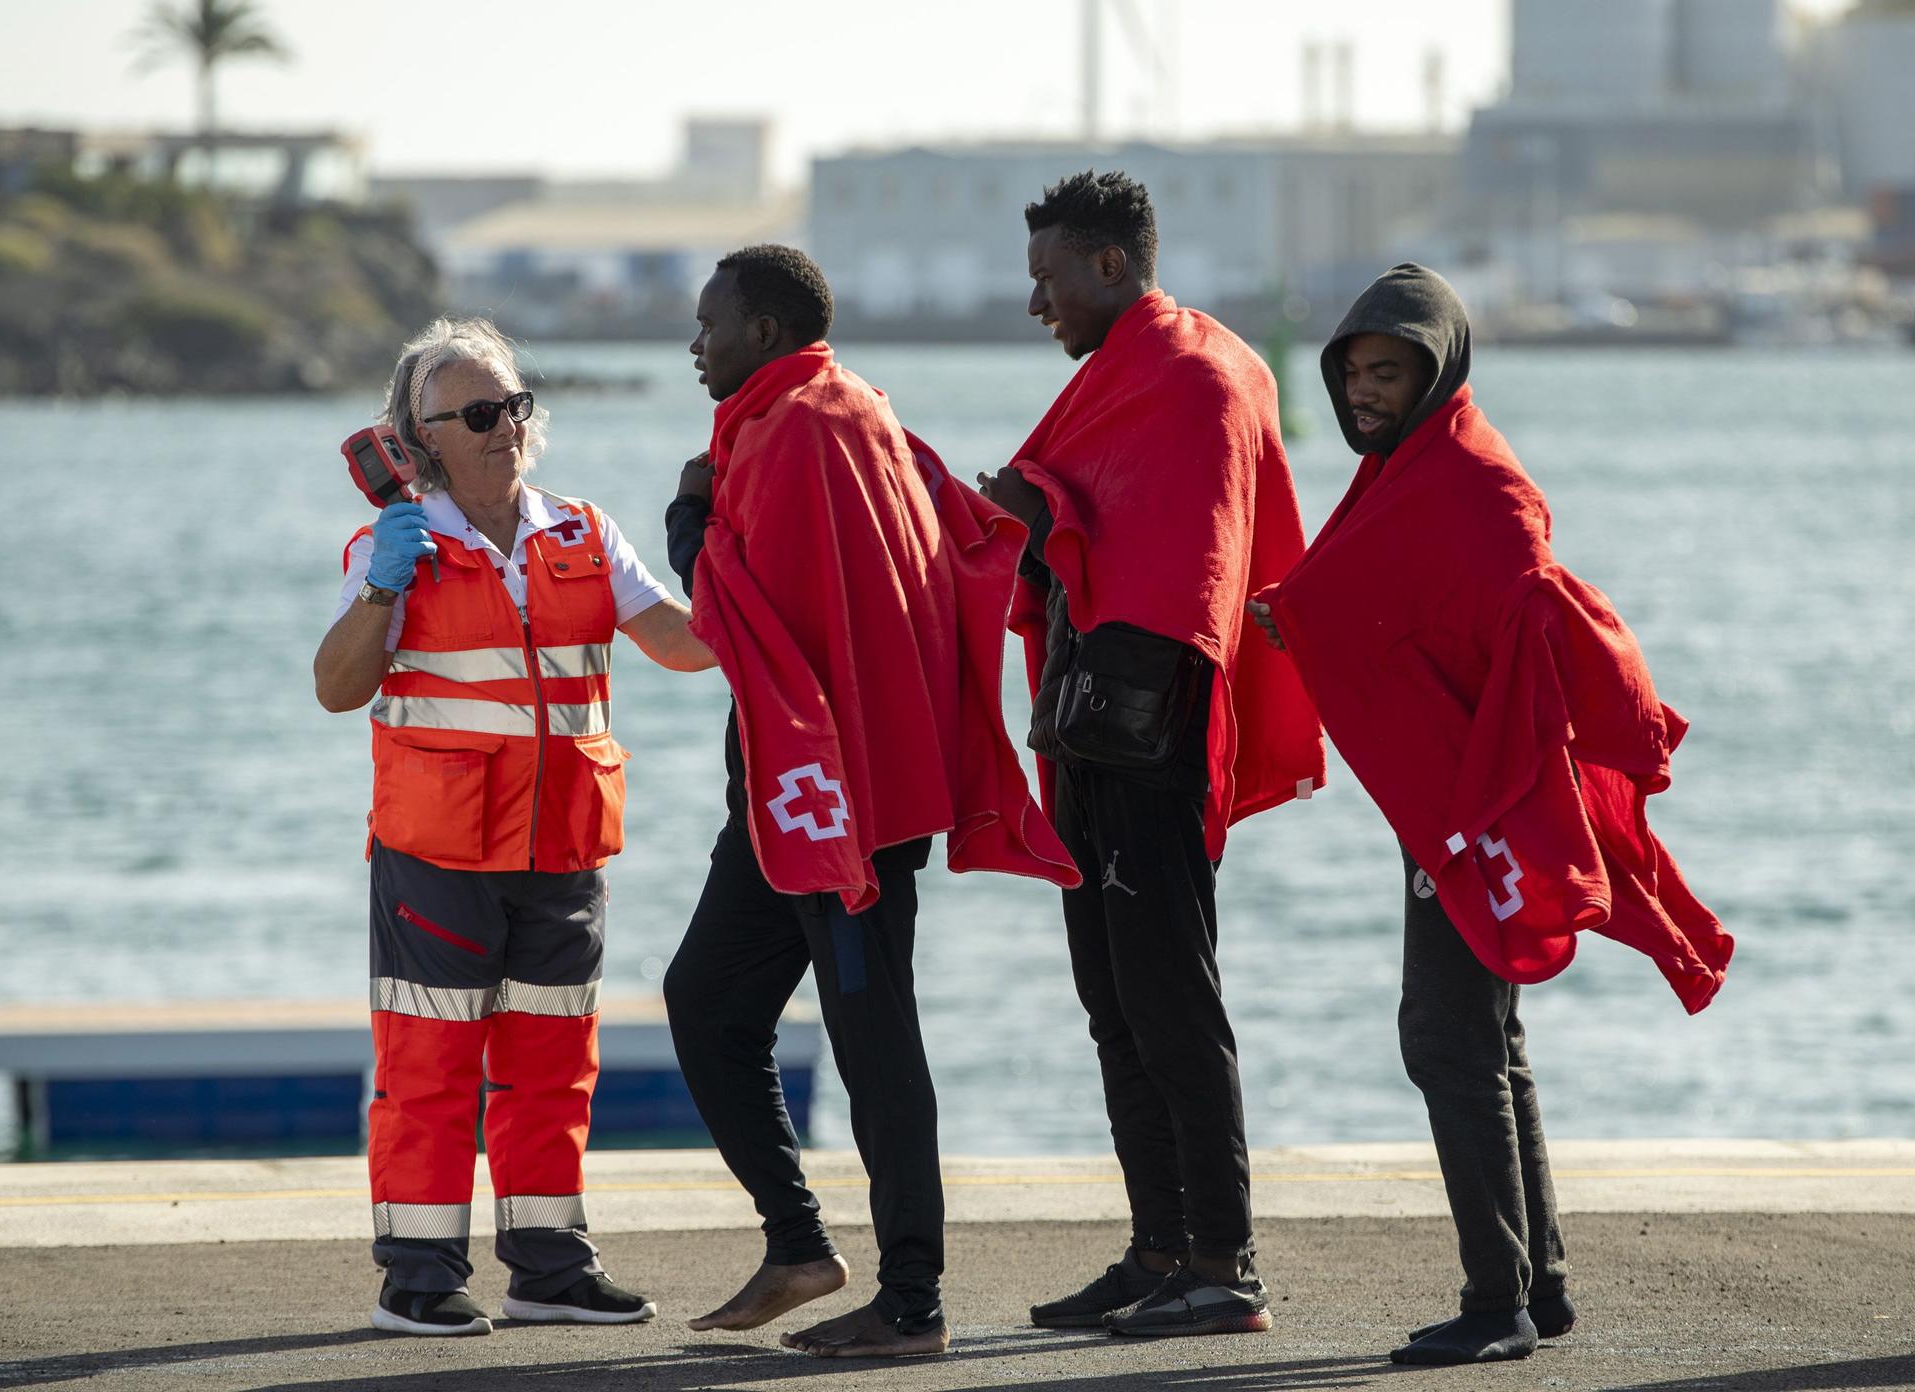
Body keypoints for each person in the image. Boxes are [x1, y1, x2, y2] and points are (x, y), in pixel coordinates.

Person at [1250, 264, 1734, 1365]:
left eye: (1387, 372)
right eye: (1353, 373)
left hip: (1482, 797)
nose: (1365, 393)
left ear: (1436, 370)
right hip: (1451, 797)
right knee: (1487, 1039)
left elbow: (1516, 603)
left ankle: (1494, 1301)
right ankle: (1536, 1284)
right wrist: (1305, 620)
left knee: (1443, 1038)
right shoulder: (1405, 469)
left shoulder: (1472, 477)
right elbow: (1385, 596)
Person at [659, 245, 1078, 1359]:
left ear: (761, 330)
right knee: (705, 1003)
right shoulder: (838, 411)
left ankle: (911, 1301)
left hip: (845, 804)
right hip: (788, 796)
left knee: (873, 1037)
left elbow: (732, 607)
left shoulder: (800, 428)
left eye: (708, 324)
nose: (693, 344)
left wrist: (684, 520)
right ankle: (799, 1246)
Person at [314, 316, 715, 1337]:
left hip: (563, 849)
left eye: (514, 406)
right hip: (436, 855)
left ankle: (548, 1268)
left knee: (552, 1066)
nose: (506, 428)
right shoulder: (391, 544)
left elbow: (680, 643)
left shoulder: (582, 530)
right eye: (479, 414)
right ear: (420, 437)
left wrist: (742, 564)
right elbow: (335, 687)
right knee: (428, 1068)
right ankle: (416, 1275)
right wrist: (380, 588)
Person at [977, 170, 1325, 1339]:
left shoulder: (1189, 373)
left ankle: (1222, 1264)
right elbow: (1058, 511)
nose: (1037, 305)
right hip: (1090, 731)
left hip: (1146, 737)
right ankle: (1159, 1247)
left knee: (1170, 1000)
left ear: (1109, 266)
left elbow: (1192, 566)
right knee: (1113, 1003)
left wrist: (1020, 510)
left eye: (1048, 279)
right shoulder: (1135, 374)